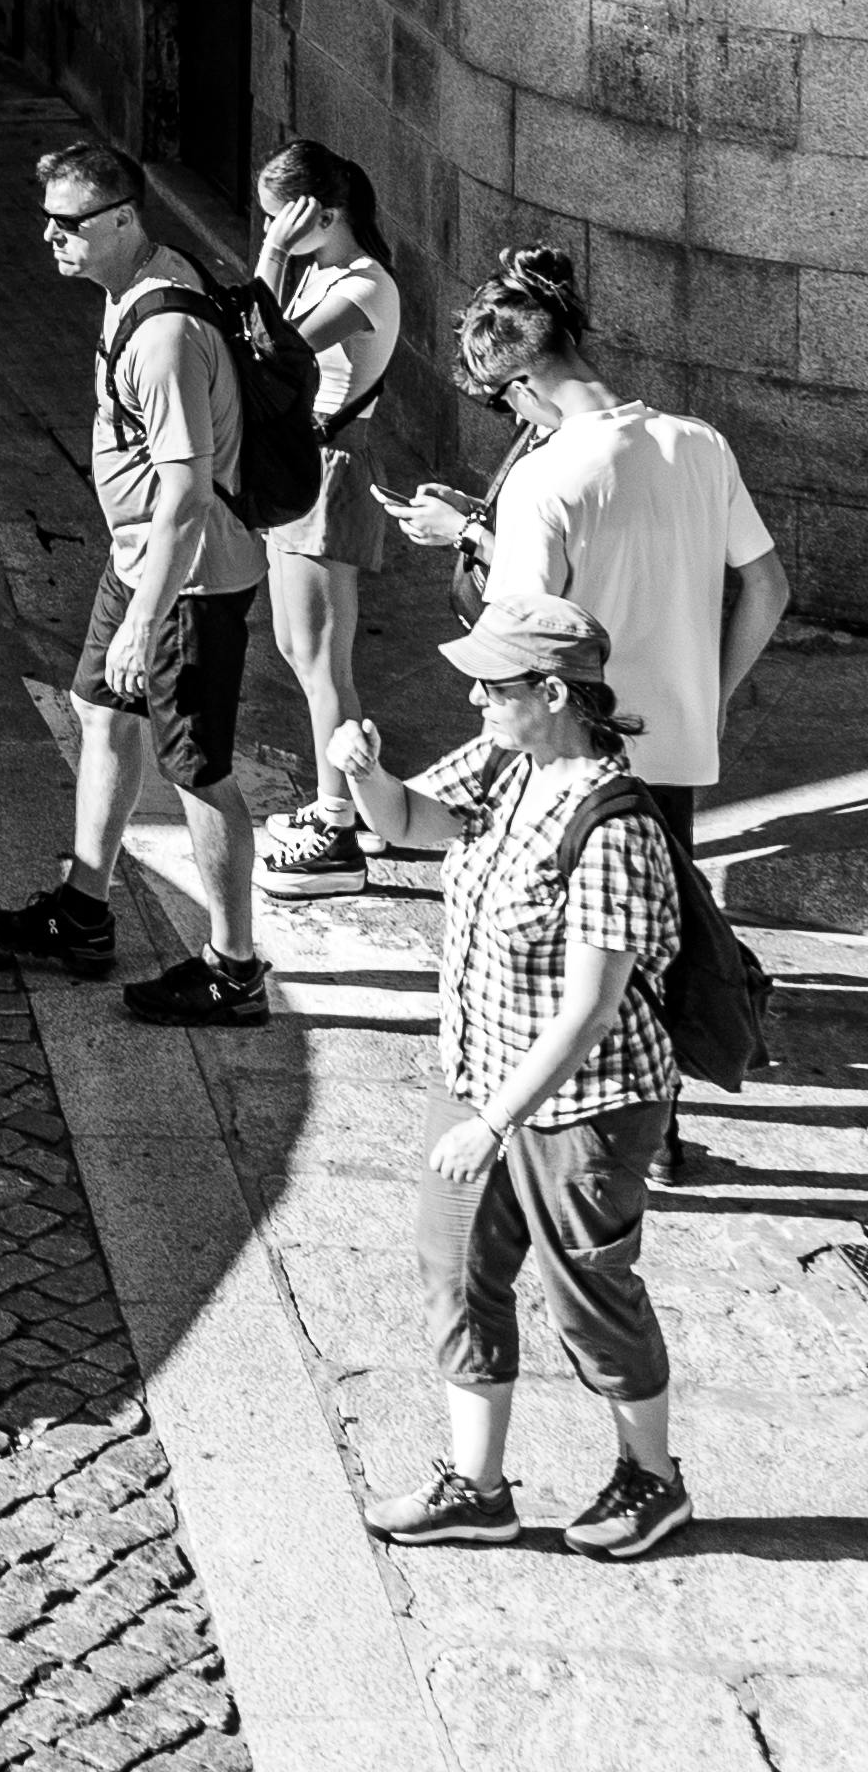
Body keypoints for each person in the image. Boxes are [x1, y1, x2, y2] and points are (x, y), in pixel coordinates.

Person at [326, 597, 693, 1561]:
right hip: (485, 1082)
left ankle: (652, 1480)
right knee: (456, 1275)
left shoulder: (613, 825)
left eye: (494, 685)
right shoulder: (505, 763)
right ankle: (476, 1489)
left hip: (587, 1112)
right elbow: (407, 820)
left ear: (554, 693)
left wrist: (492, 1122)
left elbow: (591, 1009)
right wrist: (365, 778)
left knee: (591, 1300)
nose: (476, 697)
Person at [389, 244, 790, 946]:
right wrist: (715, 692)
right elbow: (766, 586)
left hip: (579, 761)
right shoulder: (700, 443)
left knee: (573, 967)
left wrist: (469, 536)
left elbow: (522, 635)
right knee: (662, 952)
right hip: (677, 750)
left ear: (521, 386)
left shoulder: (542, 481)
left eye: (499, 401)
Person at [0, 131, 268, 1026]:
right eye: (46, 221)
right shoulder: (131, 287)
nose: (50, 239)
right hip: (139, 560)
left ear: (124, 219)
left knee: (198, 769)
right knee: (100, 710)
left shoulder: (164, 333)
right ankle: (84, 912)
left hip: (186, 580)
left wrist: (147, 617)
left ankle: (233, 970)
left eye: (70, 224)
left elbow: (183, 498)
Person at [251, 140, 406, 891]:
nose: (274, 230)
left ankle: (337, 826)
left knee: (322, 662)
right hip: (300, 470)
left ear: (327, 214)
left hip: (330, 472)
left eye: (284, 218)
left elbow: (261, 351)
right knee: (297, 647)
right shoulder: (326, 273)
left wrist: (271, 259)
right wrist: (286, 260)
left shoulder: (364, 288)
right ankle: (348, 799)